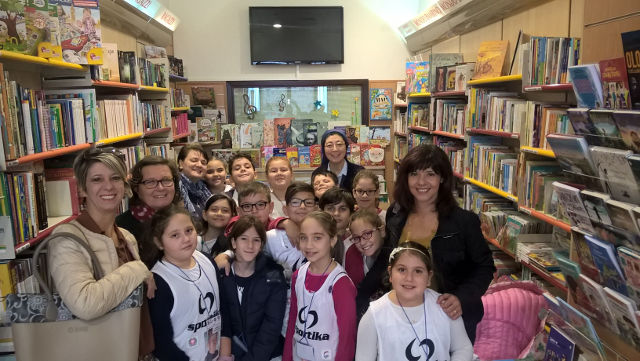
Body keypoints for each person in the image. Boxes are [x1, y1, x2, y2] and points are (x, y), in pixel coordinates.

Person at [386, 144, 495, 343]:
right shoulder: (395, 215)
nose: (421, 182)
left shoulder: (464, 221)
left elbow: (485, 266)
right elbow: (387, 259)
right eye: (414, 173)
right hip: (406, 315)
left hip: (450, 317)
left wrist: (461, 298)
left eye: (430, 174)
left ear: (442, 178)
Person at [47, 147, 151, 356]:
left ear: (124, 184)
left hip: (132, 348)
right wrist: (138, 268)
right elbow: (85, 304)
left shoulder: (126, 236)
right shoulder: (68, 238)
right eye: (97, 179)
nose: (108, 186)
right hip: (97, 351)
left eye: (115, 178)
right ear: (82, 189)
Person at [355, 242, 474, 361]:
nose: (409, 278)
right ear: (390, 273)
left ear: (429, 277)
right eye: (402, 269)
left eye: (418, 271)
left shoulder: (445, 306)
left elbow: (462, 348)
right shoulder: (374, 316)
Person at [147, 205, 222, 361]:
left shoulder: (206, 260)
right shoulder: (159, 282)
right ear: (159, 242)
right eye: (175, 235)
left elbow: (224, 309)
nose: (186, 239)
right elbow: (161, 343)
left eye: (189, 230)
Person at [283, 211, 356, 361]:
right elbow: (292, 322)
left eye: (317, 238)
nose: (309, 245)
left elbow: (347, 337)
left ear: (332, 239)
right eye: (304, 238)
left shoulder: (340, 283)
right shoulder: (298, 275)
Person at [218, 216, 287, 361]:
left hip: (268, 354)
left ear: (261, 245)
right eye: (244, 239)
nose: (250, 245)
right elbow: (224, 321)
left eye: (256, 240)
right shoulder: (223, 275)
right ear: (233, 242)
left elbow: (272, 325)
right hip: (232, 352)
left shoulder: (273, 274)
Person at [117, 155, 181, 266]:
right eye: (150, 182)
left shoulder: (181, 217)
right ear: (136, 188)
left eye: (166, 180)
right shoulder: (121, 227)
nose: (160, 188)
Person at [348, 209, 392, 319]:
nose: (362, 242)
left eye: (367, 234)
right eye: (356, 238)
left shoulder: (392, 258)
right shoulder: (355, 256)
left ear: (382, 231)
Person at [319, 187, 355, 265]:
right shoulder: (315, 240)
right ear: (322, 212)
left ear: (351, 214)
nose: (336, 213)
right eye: (330, 208)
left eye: (342, 209)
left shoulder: (357, 242)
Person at [177, 143, 211, 223]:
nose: (199, 165)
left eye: (203, 162)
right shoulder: (175, 187)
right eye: (194, 160)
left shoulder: (204, 186)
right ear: (181, 164)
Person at [199, 194, 237, 259]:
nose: (219, 213)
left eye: (225, 210)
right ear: (204, 214)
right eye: (214, 209)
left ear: (232, 216)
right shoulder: (193, 239)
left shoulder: (234, 244)